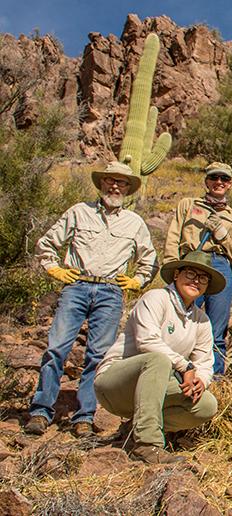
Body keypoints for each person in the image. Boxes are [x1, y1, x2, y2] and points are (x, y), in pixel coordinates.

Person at [26, 162, 158, 437]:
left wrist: (137, 281)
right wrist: (54, 269)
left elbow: (150, 260)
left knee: (98, 356)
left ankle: (84, 416)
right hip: (77, 286)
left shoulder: (134, 223)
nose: (115, 186)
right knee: (56, 349)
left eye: (121, 183)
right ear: (101, 184)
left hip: (110, 291)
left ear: (128, 189)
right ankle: (40, 411)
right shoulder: (79, 212)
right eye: (110, 181)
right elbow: (46, 243)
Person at [94, 251, 220, 464]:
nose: (196, 281)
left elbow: (205, 363)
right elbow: (147, 342)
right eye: (190, 274)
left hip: (155, 387)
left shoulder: (202, 321)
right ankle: (147, 445)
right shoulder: (156, 298)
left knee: (206, 405)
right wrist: (185, 366)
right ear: (176, 275)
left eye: (203, 278)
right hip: (116, 384)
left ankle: (137, 427)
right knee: (157, 360)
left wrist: (200, 381)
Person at [163, 162, 232, 375]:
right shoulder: (188, 205)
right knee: (177, 320)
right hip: (189, 263)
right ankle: (171, 373)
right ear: (207, 181)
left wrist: (223, 235)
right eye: (214, 178)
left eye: (224, 179)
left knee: (216, 329)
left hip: (220, 265)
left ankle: (213, 379)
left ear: (229, 184)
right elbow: (174, 235)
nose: (218, 182)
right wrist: (171, 264)